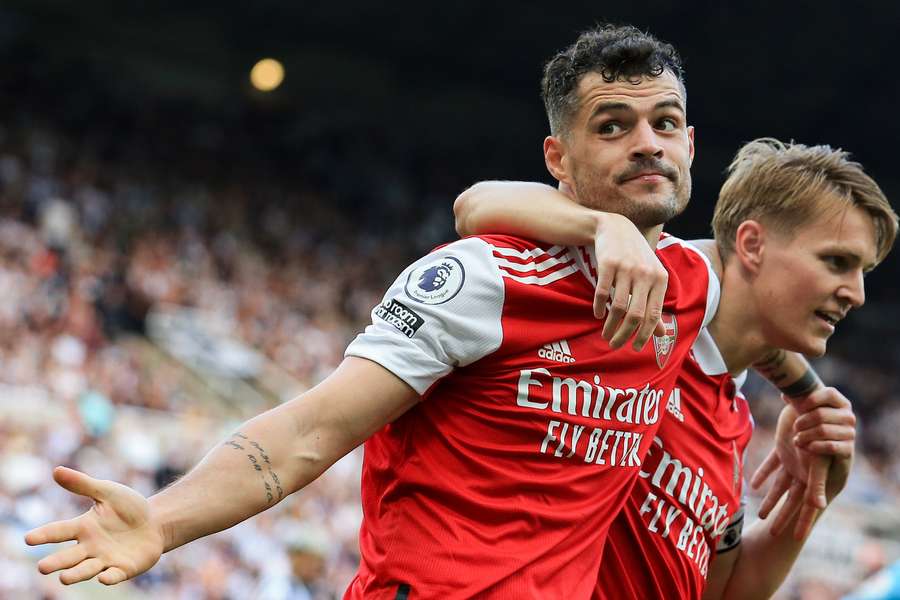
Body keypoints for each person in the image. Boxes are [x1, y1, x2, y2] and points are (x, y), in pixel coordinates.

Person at [25, 24, 723, 599]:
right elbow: (311, 429)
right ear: (558, 159)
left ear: (690, 145)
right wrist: (163, 521)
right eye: (612, 126)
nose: (647, 143)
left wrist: (806, 390)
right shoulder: (484, 279)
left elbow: (786, 273)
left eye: (665, 123)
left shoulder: (695, 283)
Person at [453, 136, 897, 599]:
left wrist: (811, 491)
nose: (857, 293)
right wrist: (604, 226)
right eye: (836, 262)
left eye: (862, 270)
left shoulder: (731, 422)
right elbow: (479, 203)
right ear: (751, 244)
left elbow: (722, 594)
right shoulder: (635, 303)